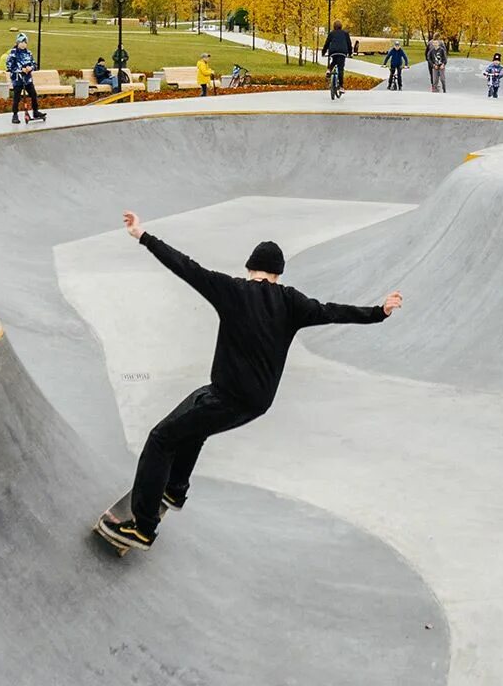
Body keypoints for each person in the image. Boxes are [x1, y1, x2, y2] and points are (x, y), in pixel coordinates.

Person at [99, 211, 403, 552]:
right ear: (277, 274)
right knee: (197, 415)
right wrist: (379, 312)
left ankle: (142, 527)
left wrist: (143, 236)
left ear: (250, 267)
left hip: (227, 396)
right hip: (257, 403)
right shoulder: (293, 302)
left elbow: (185, 267)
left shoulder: (232, 290)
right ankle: (174, 489)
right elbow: (334, 311)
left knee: (160, 439)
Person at [5, 32, 45, 124]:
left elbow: (35, 64)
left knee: (33, 94)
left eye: (25, 42)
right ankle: (15, 115)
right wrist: (20, 69)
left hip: (27, 79)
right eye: (21, 42)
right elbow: (9, 66)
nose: (23, 44)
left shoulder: (28, 53)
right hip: (17, 79)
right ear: (17, 43)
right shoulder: (13, 53)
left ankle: (35, 111)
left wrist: (31, 68)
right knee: (17, 98)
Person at [321, 20, 354, 93]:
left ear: (334, 26)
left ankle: (329, 70)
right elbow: (349, 44)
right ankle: (341, 87)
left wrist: (323, 52)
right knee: (340, 68)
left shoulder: (331, 33)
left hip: (333, 51)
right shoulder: (345, 34)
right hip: (342, 52)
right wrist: (350, 53)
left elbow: (327, 43)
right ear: (341, 26)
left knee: (334, 61)